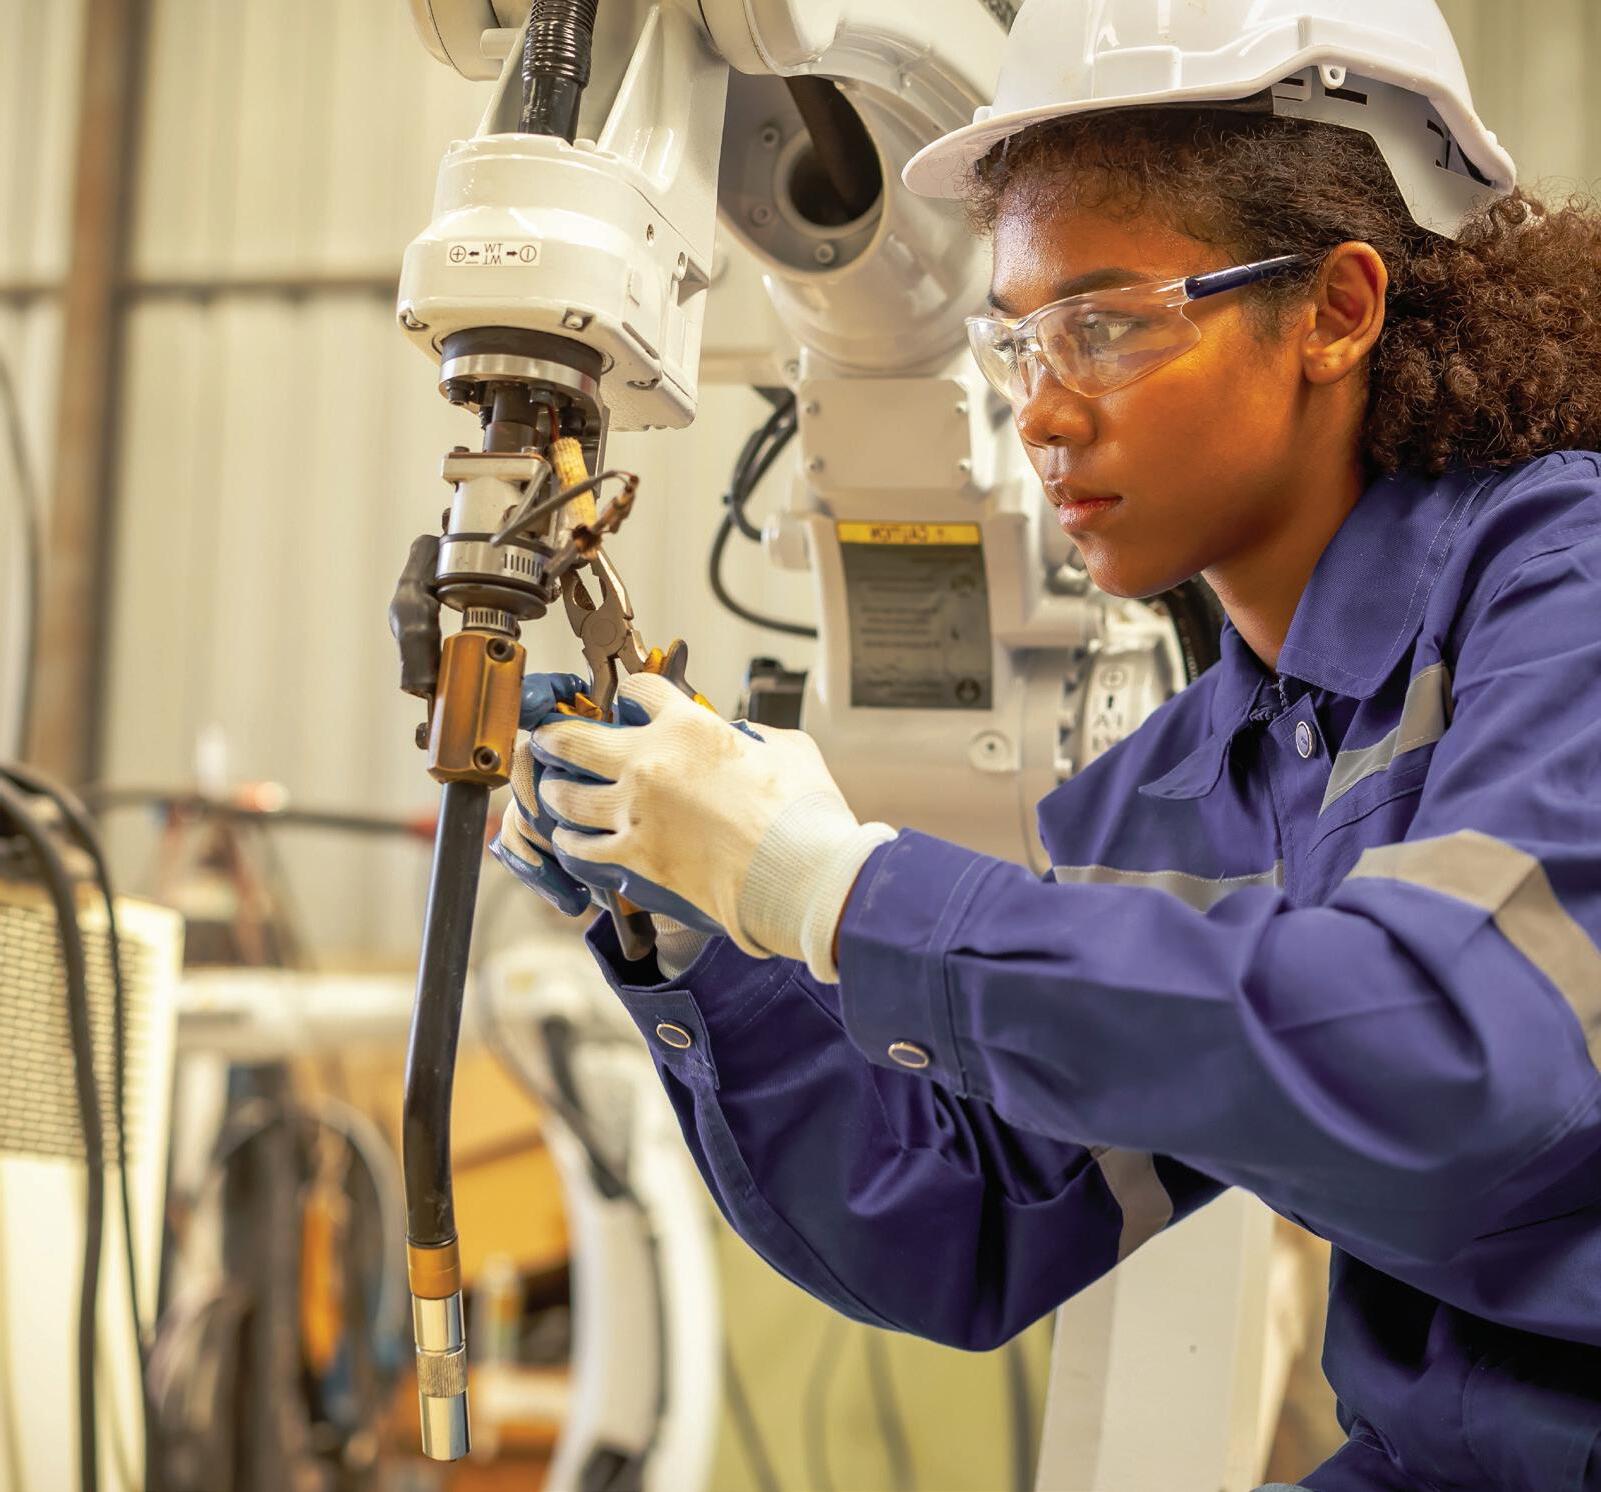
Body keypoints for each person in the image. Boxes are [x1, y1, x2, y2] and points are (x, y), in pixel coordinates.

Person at [493, 2, 1601, 1486]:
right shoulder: (1200, 781)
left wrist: (838, 888)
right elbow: (960, 1220)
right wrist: (702, 934)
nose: (1040, 412)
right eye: (1017, 340)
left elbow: (1453, 1058)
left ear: (1337, 310)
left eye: (1106, 325)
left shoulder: (1562, 596)